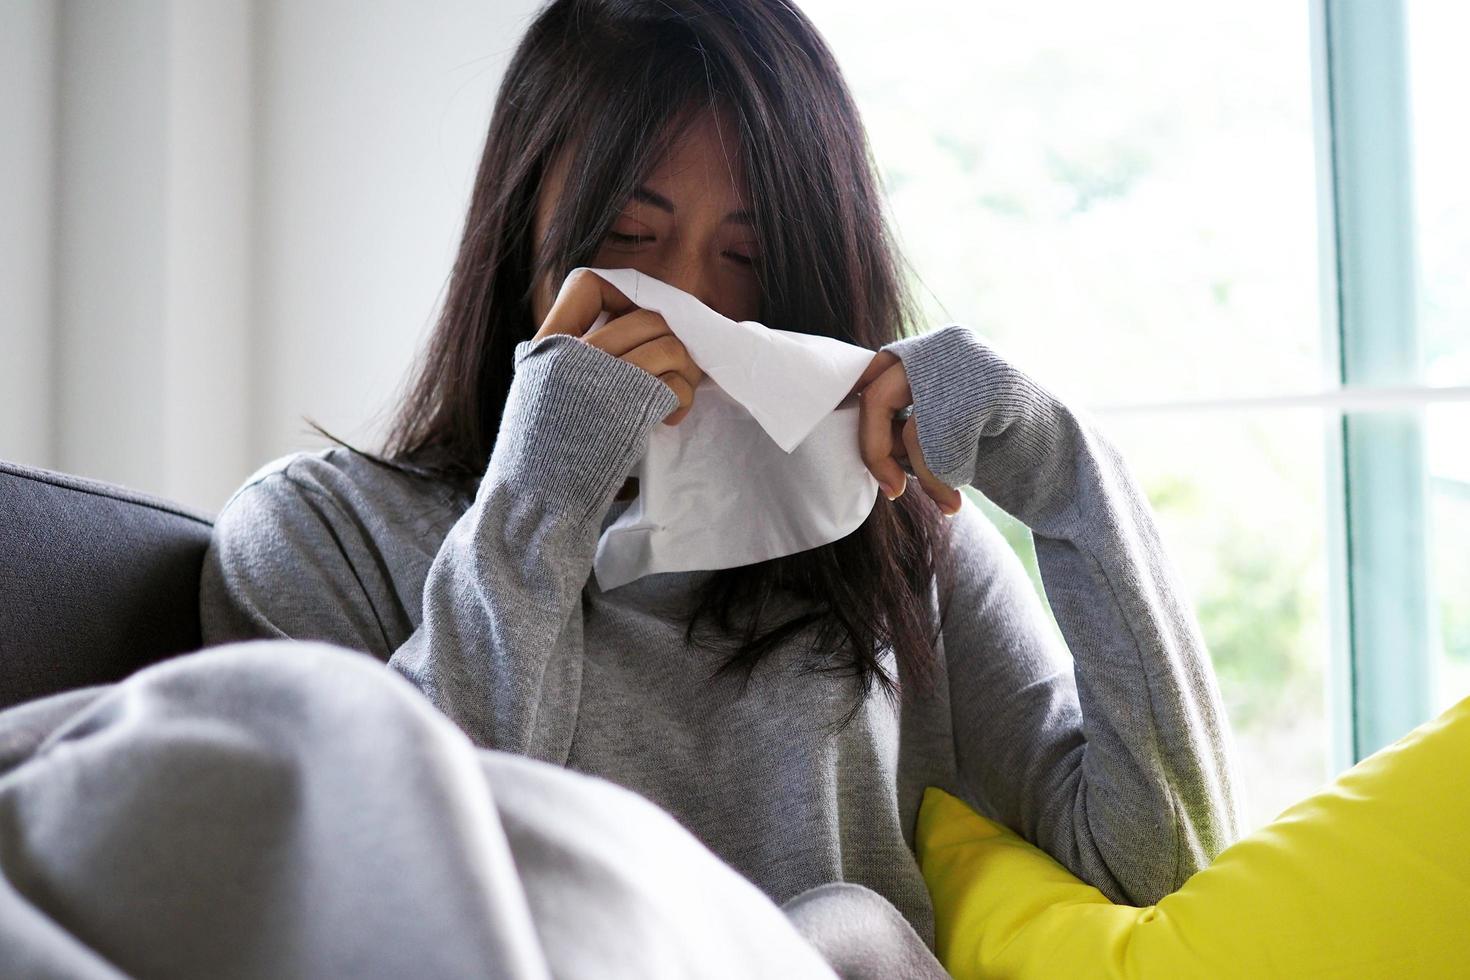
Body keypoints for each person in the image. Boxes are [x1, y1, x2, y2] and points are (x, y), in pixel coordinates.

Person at [200, 0, 1245, 961]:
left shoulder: (900, 540)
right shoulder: (312, 534)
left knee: (852, 931)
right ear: (524, 232)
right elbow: (376, 912)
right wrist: (541, 497)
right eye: (631, 241)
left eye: (746, 258)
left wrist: (1064, 468)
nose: (686, 308)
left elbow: (1154, 868)